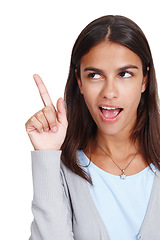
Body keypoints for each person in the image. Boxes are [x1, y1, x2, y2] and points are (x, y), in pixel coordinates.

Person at [25, 15, 160, 240]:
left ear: (145, 80)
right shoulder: (64, 168)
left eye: (124, 74)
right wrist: (47, 155)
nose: (109, 92)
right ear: (79, 81)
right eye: (95, 75)